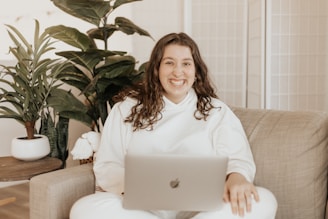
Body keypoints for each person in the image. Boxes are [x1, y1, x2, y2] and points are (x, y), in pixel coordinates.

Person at [70, 32, 277, 219]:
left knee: (265, 200)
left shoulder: (216, 110)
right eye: (169, 63)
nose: (178, 72)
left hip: (202, 211)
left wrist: (237, 178)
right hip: (141, 209)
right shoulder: (126, 109)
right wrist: (141, 186)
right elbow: (108, 165)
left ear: (196, 71)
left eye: (186, 64)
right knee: (84, 209)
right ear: (156, 69)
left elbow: (238, 159)